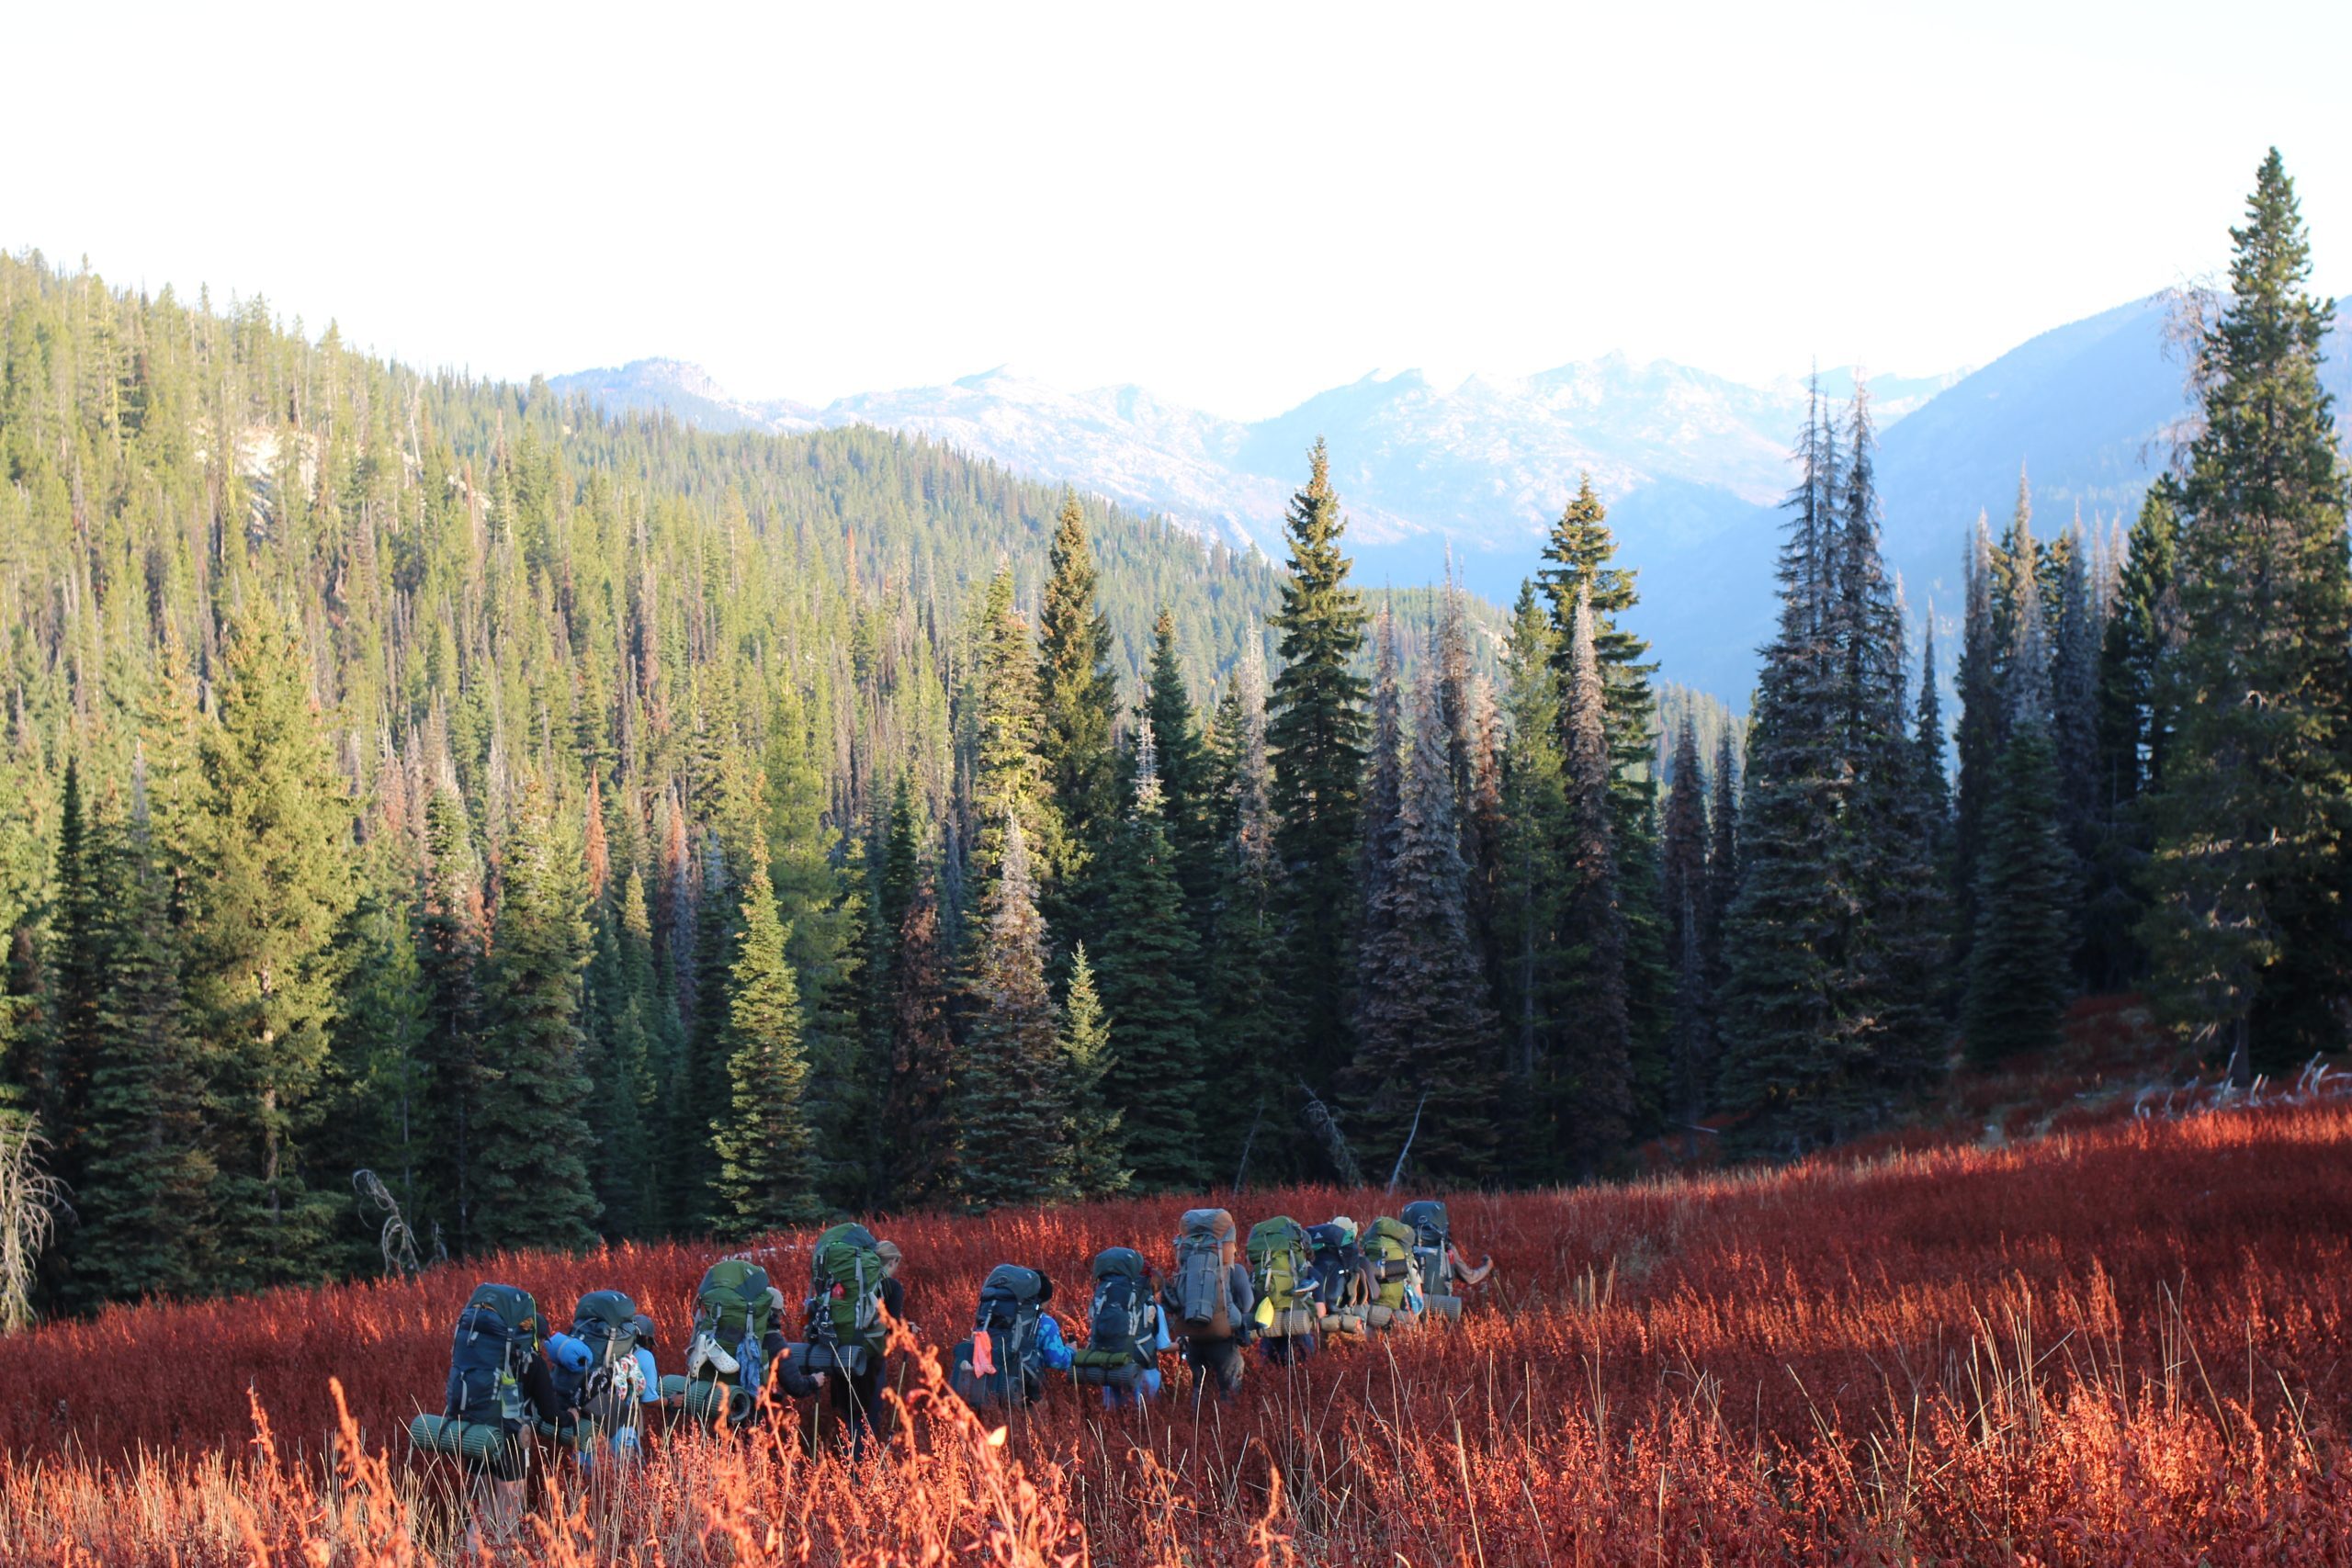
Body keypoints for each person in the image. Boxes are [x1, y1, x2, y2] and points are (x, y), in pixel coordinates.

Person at [1161, 1209, 1255, 1403]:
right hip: (1223, 1341)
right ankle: (1225, 1430)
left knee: (1199, 1388)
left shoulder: (1186, 1270)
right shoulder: (1235, 1270)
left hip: (1192, 1341)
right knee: (1228, 1393)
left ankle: (1196, 1428)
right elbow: (1247, 1305)